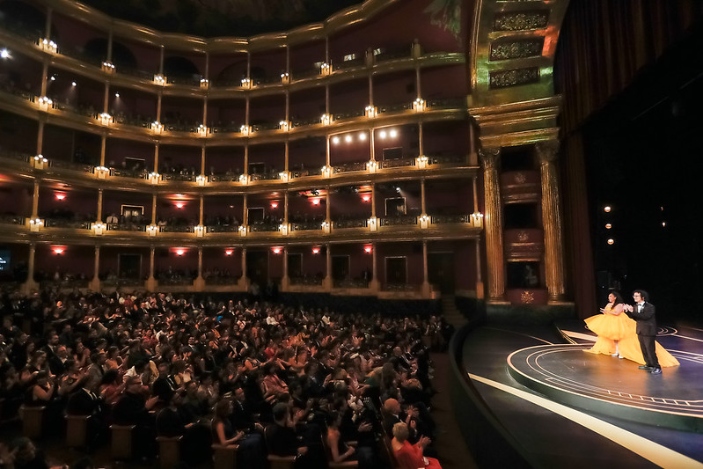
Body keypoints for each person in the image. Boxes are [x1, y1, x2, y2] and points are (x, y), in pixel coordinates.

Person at [623, 290, 670, 375]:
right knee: (644, 349)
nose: (634, 297)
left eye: (637, 296)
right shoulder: (635, 306)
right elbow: (634, 317)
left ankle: (656, 367)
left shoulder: (650, 307)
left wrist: (632, 311)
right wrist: (628, 311)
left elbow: (645, 316)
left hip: (648, 331)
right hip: (640, 330)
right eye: (634, 296)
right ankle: (649, 364)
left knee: (650, 349)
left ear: (643, 297)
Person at [583, 291, 631, 357]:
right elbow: (606, 311)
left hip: (617, 322)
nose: (609, 298)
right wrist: (604, 311)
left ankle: (620, 352)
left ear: (615, 297)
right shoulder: (608, 304)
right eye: (609, 296)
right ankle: (615, 350)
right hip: (609, 321)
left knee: (617, 337)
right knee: (610, 337)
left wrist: (608, 311)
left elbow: (617, 313)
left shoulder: (619, 304)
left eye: (610, 296)